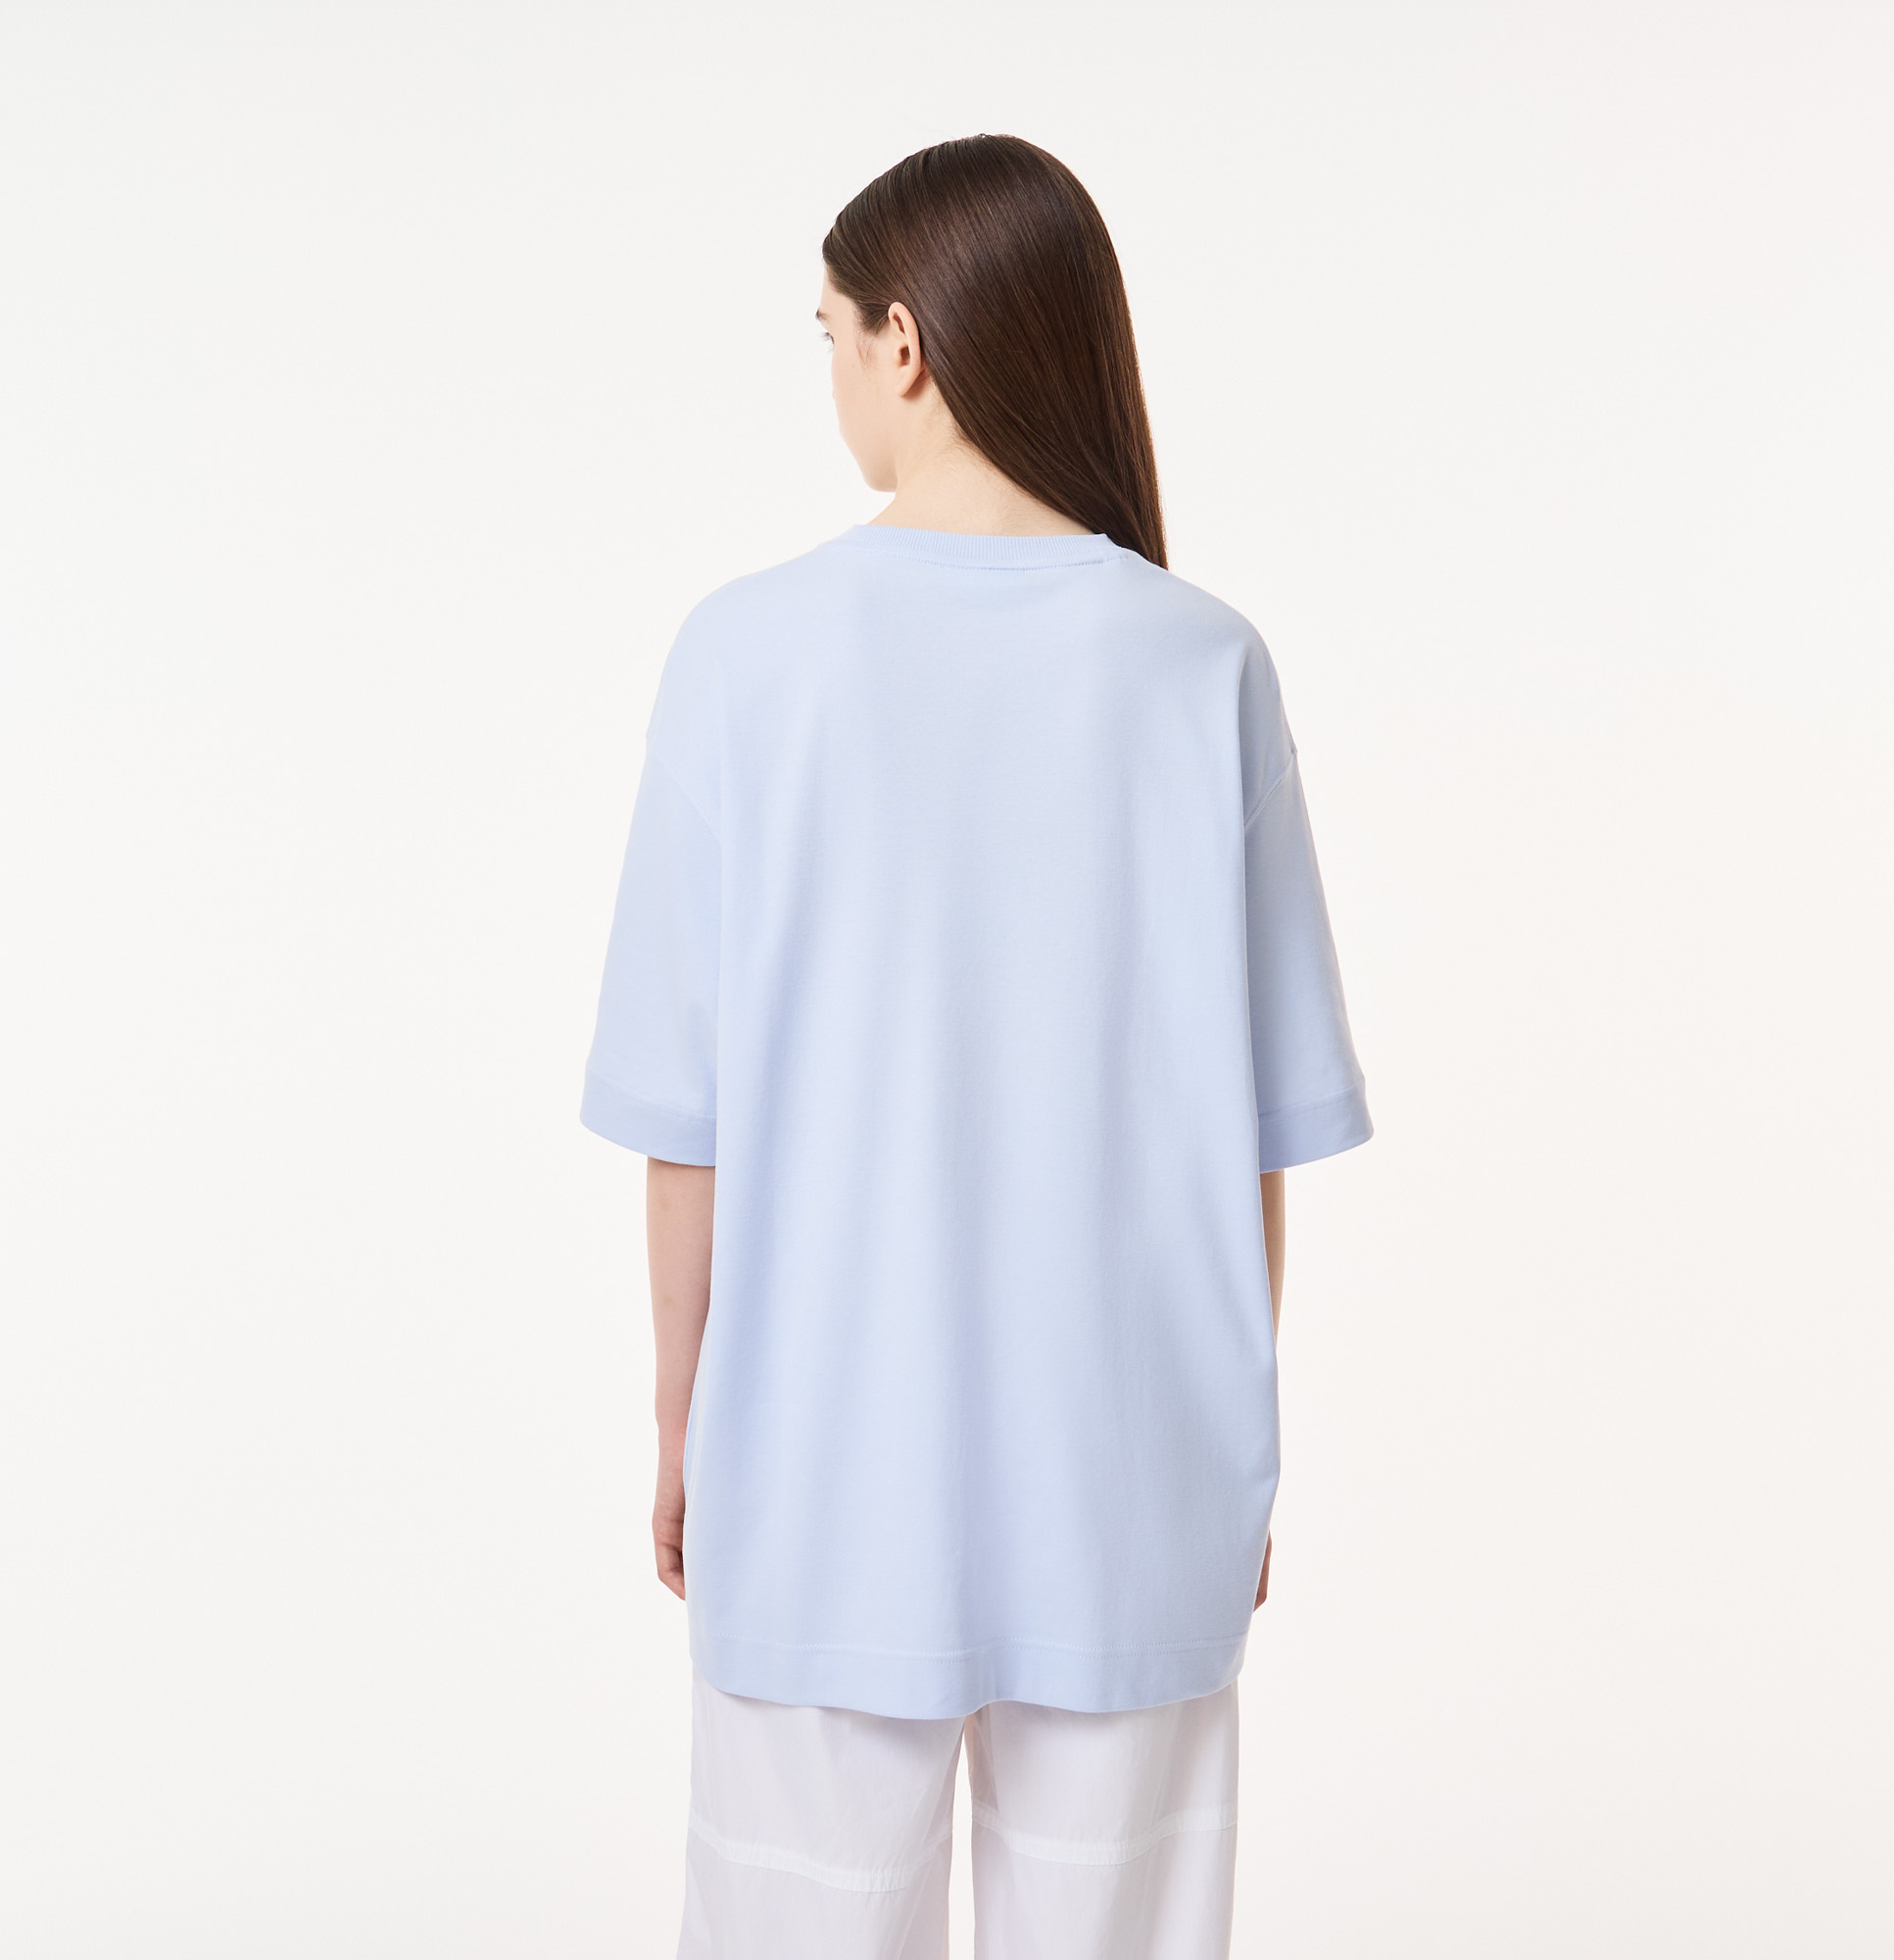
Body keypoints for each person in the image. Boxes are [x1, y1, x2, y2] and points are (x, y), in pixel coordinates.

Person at [582, 132, 1371, 1960]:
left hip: (817, 1470)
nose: (834, 376)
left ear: (906, 343)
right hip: (1131, 1478)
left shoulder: (746, 656)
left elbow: (688, 1126)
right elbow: (1252, 1134)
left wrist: (683, 1422)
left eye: (831, 334)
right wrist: (1230, 1446)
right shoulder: (1204, 663)